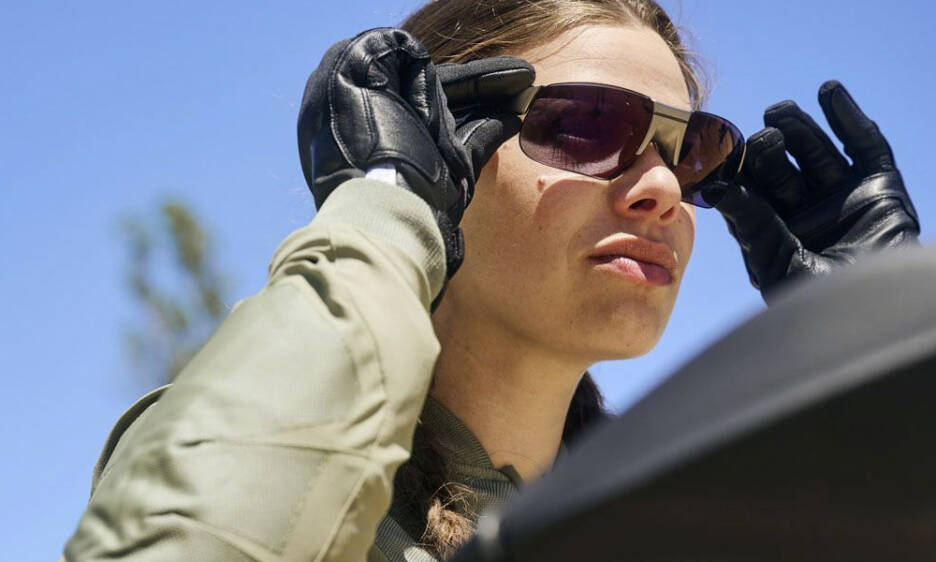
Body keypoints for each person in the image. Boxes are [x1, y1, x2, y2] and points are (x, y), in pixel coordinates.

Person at [62, 1, 920, 561]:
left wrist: (878, 393)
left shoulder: (686, 528)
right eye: (587, 126)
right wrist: (388, 210)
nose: (662, 186)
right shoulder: (283, 473)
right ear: (438, 146)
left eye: (687, 150)